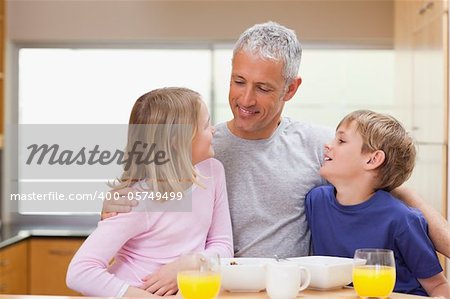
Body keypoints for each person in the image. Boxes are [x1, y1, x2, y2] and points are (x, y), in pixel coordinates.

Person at [103, 21, 450, 295]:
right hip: (210, 291)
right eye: (239, 81)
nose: (245, 99)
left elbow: (389, 189)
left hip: (290, 292)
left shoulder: (320, 146)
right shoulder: (200, 147)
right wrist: (112, 205)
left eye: (264, 88)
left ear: (291, 88)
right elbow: (136, 198)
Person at [66, 87, 233, 297]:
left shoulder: (212, 171)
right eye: (206, 124)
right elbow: (79, 272)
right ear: (178, 141)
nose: (214, 130)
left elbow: (223, 245)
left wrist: (191, 263)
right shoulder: (137, 201)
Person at [305, 110, 449, 297]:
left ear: (372, 159)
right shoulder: (316, 201)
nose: (327, 146)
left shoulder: (401, 219)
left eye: (341, 141)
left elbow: (437, 285)